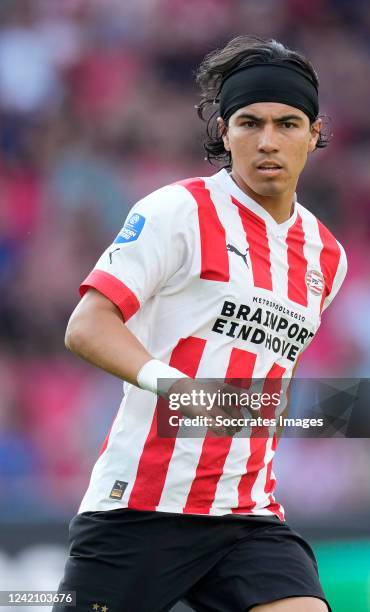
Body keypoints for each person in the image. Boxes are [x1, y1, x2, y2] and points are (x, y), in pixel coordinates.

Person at [55, 35, 347, 612]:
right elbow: (87, 326)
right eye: (249, 122)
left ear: (314, 134)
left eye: (288, 123)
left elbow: (270, 378)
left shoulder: (326, 255)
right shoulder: (177, 211)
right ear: (222, 131)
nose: (268, 141)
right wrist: (176, 387)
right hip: (140, 507)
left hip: (247, 516)